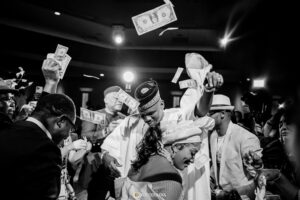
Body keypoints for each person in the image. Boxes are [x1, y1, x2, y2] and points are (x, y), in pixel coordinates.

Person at [102, 52, 223, 200]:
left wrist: (208, 91)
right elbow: (110, 146)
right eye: (143, 113)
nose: (146, 118)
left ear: (162, 104)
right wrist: (107, 157)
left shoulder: (176, 118)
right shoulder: (131, 122)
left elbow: (199, 112)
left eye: (151, 113)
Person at [0, 93, 76, 200]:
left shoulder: (9, 128)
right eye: (71, 128)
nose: (68, 134)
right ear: (61, 121)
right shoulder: (46, 149)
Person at [117, 124, 202, 200]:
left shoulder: (141, 163)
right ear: (176, 147)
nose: (193, 160)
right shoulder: (172, 179)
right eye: (192, 153)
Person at [209, 94, 263, 199]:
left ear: (222, 114)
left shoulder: (245, 137)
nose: (207, 117)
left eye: (210, 113)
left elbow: (256, 173)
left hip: (240, 196)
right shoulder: (213, 135)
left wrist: (257, 164)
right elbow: (217, 164)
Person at [78, 86, 125, 200]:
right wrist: (106, 130)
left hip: (118, 165)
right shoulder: (94, 115)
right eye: (115, 98)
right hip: (97, 165)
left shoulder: (125, 118)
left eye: (121, 98)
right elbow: (85, 136)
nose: (119, 100)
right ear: (106, 100)